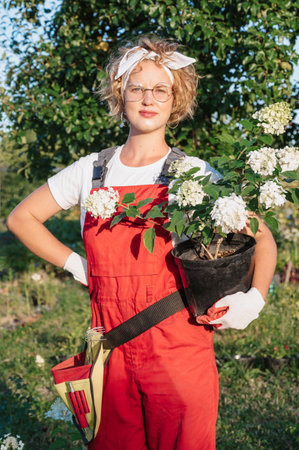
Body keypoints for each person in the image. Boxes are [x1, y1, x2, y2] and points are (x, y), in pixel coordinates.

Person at [7, 36, 277, 450]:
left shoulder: (194, 173)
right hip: (110, 351)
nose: (148, 99)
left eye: (160, 89)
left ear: (176, 99)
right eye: (137, 87)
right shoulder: (91, 170)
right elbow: (21, 218)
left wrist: (254, 299)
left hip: (178, 349)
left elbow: (263, 238)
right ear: (121, 94)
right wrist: (77, 265)